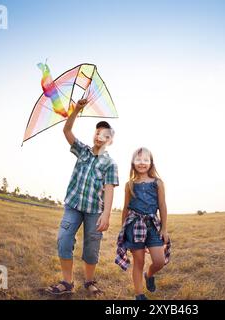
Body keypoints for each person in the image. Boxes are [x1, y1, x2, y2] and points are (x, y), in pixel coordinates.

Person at [46, 99, 119, 295]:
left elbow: (110, 189)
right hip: (74, 206)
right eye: (97, 132)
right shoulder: (83, 151)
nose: (99, 136)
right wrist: (76, 110)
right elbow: (67, 132)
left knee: (91, 248)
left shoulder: (110, 164)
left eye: (105, 134)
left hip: (95, 210)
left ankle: (89, 281)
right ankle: (67, 283)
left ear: (110, 140)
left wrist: (107, 214)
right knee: (64, 240)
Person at [115, 147, 171, 300]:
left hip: (153, 225)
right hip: (134, 227)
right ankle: (139, 295)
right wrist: (123, 230)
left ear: (151, 163)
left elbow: (162, 205)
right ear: (133, 162)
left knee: (159, 261)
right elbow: (125, 209)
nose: (142, 163)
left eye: (146, 160)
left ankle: (150, 274)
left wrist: (164, 228)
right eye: (138, 159)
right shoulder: (129, 185)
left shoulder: (157, 183)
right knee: (138, 262)